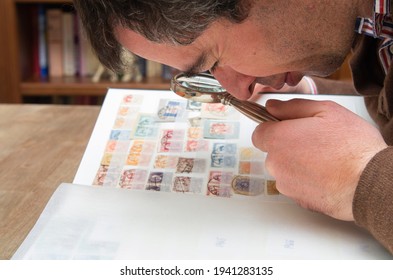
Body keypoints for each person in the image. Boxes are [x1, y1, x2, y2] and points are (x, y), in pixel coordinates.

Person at [73, 0, 393, 254]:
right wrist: (312, 93)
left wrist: (361, 178)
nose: (239, 90)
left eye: (214, 60)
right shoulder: (373, 22)